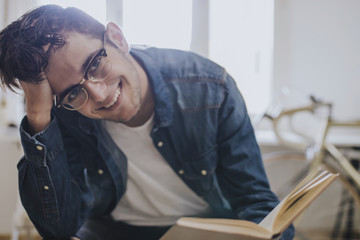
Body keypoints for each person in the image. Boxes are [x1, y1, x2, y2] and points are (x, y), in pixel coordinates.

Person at [0, 4, 294, 240]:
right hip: (114, 231)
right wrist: (38, 116)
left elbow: (255, 200)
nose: (99, 94)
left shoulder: (210, 88)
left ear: (117, 38)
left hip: (210, 228)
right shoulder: (66, 112)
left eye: (95, 64)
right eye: (74, 93)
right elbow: (59, 228)